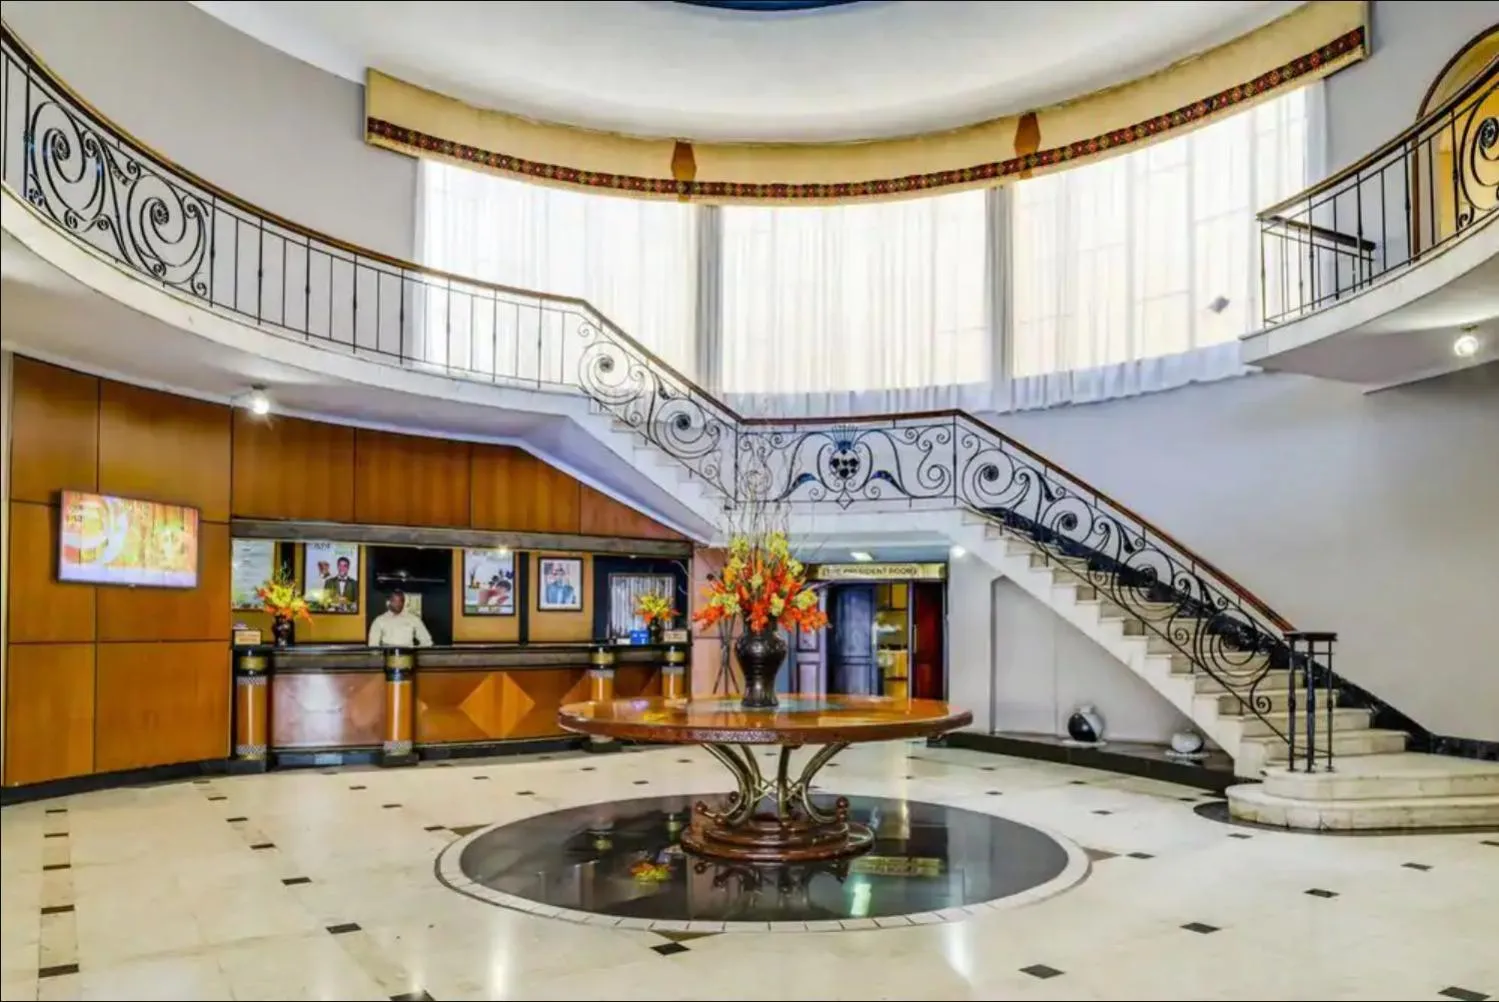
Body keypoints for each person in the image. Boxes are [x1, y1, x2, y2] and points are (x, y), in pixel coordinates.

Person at [367, 590, 433, 648]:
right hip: (387, 655)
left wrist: (417, 653)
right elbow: (373, 644)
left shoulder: (413, 619)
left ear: (404, 602)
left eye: (400, 601)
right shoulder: (379, 621)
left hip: (408, 655)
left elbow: (427, 641)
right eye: (395, 601)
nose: (398, 604)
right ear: (389, 602)